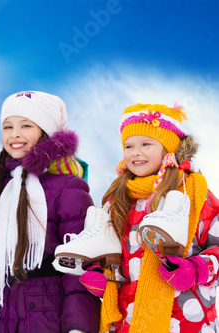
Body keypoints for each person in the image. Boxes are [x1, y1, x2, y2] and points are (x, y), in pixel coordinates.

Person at [86, 103, 219, 332]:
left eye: (146, 144)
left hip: (185, 319)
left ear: (169, 150)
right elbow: (114, 258)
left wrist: (196, 269)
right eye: (129, 146)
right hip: (129, 319)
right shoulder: (117, 199)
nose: (135, 152)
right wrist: (101, 276)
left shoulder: (194, 193)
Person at [0, 91, 101, 333]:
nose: (15, 133)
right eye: (8, 126)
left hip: (46, 314)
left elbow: (77, 264)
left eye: (26, 125)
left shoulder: (68, 188)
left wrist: (78, 326)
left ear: (46, 133)